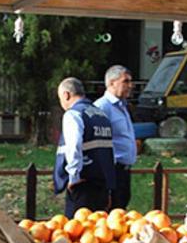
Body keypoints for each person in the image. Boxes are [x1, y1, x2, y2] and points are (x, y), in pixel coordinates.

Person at [53, 77, 116, 216]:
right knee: (99, 232)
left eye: (60, 98)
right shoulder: (101, 114)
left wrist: (73, 177)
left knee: (77, 232)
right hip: (102, 183)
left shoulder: (74, 114)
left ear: (66, 95)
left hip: (83, 184)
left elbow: (73, 146)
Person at [94, 65, 136, 210]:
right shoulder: (102, 107)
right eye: (125, 81)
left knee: (120, 212)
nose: (130, 86)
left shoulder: (122, 106)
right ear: (112, 82)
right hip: (111, 170)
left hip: (124, 170)